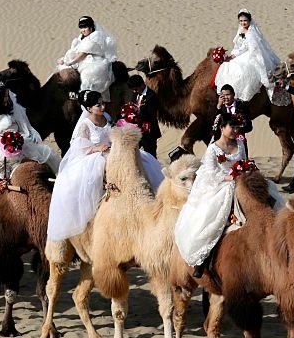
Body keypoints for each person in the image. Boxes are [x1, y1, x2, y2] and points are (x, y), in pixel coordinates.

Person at [46, 89, 164, 242]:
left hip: (113, 151)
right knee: (99, 172)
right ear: (89, 108)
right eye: (98, 105)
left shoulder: (106, 118)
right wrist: (96, 149)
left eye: (102, 103)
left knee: (144, 161)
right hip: (96, 157)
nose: (102, 107)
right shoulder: (85, 125)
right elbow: (79, 148)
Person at [0, 80, 60, 236]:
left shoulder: (14, 110)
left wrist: (21, 140)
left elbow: (23, 128)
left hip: (19, 146)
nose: (8, 99)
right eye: (5, 97)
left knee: (47, 159)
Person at [174, 113, 248, 278]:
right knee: (213, 218)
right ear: (222, 128)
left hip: (239, 180)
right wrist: (229, 177)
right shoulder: (213, 148)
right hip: (218, 184)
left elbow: (243, 162)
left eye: (237, 127)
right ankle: (204, 260)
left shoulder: (240, 144)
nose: (235, 130)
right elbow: (210, 174)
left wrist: (244, 172)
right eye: (232, 127)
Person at [213, 9, 282, 104]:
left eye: (245, 20)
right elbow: (242, 44)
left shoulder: (251, 33)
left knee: (242, 71)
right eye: (241, 21)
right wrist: (234, 54)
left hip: (251, 54)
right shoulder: (242, 30)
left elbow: (251, 48)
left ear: (249, 21)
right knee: (227, 66)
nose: (243, 23)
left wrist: (237, 54)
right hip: (242, 51)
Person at [57, 16, 118, 94]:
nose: (83, 30)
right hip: (80, 59)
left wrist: (71, 62)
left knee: (87, 76)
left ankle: (86, 95)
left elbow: (83, 53)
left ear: (91, 27)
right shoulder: (82, 37)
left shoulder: (96, 36)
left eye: (85, 27)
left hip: (93, 61)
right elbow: (76, 50)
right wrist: (66, 59)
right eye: (81, 28)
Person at [128, 72, 161, 157]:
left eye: (136, 89)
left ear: (142, 85)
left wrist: (135, 116)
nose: (134, 91)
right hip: (136, 131)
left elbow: (151, 115)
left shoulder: (151, 96)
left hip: (148, 132)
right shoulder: (135, 94)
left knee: (150, 155)